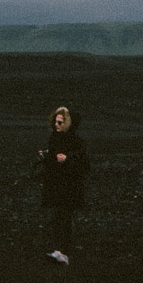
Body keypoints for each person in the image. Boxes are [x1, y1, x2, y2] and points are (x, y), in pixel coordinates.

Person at [36, 106, 88, 264]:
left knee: (64, 219)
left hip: (69, 188)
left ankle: (63, 252)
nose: (56, 125)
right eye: (55, 122)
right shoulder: (55, 138)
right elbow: (54, 161)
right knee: (58, 218)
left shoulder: (75, 141)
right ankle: (59, 251)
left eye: (60, 122)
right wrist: (47, 157)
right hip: (57, 186)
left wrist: (67, 160)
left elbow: (85, 165)